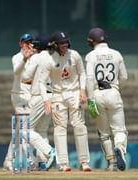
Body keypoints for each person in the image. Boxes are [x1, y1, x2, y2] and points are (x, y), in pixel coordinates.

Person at [39, 31, 91, 172]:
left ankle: (84, 162)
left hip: (74, 93)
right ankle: (63, 164)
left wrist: (82, 89)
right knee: (60, 129)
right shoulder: (49, 60)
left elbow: (82, 73)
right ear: (54, 45)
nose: (64, 45)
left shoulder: (74, 55)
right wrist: (46, 100)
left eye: (66, 42)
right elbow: (41, 83)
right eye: (61, 43)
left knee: (80, 127)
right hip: (58, 95)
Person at [85, 27, 128, 171]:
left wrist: (90, 99)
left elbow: (90, 78)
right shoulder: (116, 54)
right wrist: (116, 89)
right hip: (113, 93)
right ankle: (120, 148)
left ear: (92, 41)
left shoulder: (90, 56)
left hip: (97, 94)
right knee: (119, 130)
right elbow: (124, 77)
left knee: (104, 133)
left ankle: (111, 163)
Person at [20, 34, 56, 170]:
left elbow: (25, 77)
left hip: (39, 97)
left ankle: (49, 152)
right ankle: (43, 162)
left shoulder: (36, 57)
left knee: (25, 130)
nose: (33, 46)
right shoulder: (53, 58)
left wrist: (28, 59)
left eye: (35, 44)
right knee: (42, 130)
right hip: (51, 96)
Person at [3, 33, 35, 171]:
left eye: (30, 42)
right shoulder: (16, 57)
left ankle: (8, 161)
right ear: (20, 43)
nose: (27, 44)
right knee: (24, 128)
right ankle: (29, 159)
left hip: (31, 96)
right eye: (25, 42)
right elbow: (17, 72)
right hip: (18, 95)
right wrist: (24, 58)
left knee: (19, 130)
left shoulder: (37, 58)